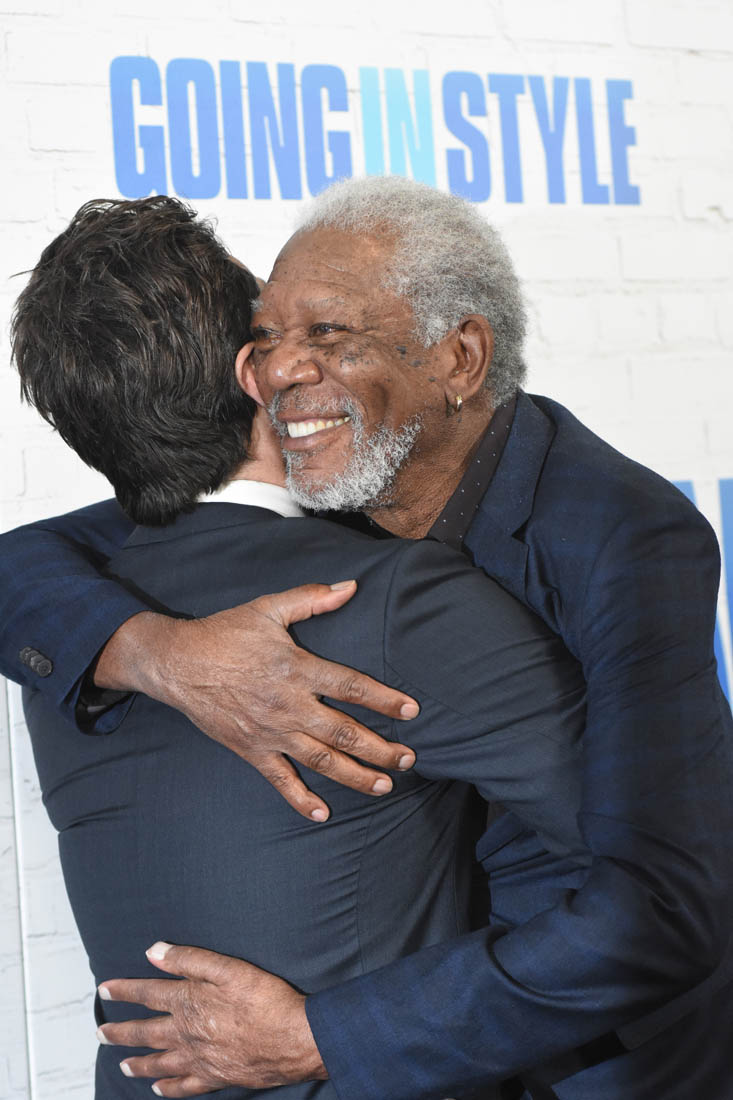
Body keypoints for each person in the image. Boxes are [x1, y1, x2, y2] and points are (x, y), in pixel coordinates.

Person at [2, 177, 732, 1099]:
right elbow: (25, 561)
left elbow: (665, 899)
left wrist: (321, 1035)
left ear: (459, 358)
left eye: (325, 334)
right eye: (265, 337)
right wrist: (163, 655)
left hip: (598, 1060)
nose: (282, 369)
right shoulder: (322, 491)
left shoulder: (620, 535)